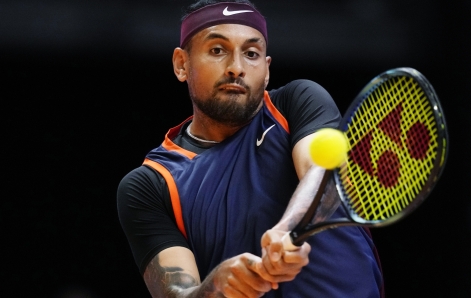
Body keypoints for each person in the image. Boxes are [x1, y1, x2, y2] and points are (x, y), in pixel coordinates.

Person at [117, 1, 384, 297]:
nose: (237, 68)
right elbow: (177, 292)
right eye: (217, 50)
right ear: (182, 64)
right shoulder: (151, 184)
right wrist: (217, 286)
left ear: (267, 70)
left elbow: (320, 172)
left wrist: (286, 229)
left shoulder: (297, 103)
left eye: (251, 53)